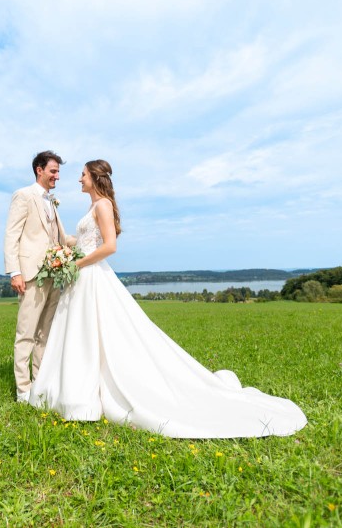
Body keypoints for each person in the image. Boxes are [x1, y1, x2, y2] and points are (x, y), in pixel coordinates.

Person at [28, 159, 308, 438]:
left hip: (92, 275)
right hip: (84, 275)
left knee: (101, 334)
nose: (79, 179)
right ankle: (75, 391)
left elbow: (110, 246)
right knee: (81, 334)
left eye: (83, 174)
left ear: (95, 178)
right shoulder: (93, 206)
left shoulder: (103, 205)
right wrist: (63, 250)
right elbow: (87, 240)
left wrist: (78, 264)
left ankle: (88, 395)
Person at [4, 151, 76, 403]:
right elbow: (12, 235)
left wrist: (89, 241)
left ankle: (40, 383)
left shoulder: (51, 201)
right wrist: (15, 272)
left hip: (54, 275)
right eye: (53, 171)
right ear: (39, 170)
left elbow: (60, 238)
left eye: (58, 172)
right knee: (26, 332)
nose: (57, 176)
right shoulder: (23, 196)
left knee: (45, 332)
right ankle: (23, 390)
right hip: (32, 274)